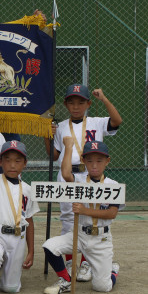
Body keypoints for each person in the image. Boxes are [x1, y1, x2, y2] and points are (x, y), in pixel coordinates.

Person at [44, 84, 122, 281]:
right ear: (66, 104)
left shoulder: (95, 122)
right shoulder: (61, 126)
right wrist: (47, 134)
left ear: (88, 103)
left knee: (88, 215)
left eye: (81, 102)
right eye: (71, 102)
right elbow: (53, 155)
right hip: (68, 173)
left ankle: (86, 263)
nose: (76, 106)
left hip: (90, 172)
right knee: (68, 218)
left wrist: (103, 99)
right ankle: (70, 262)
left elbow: (117, 120)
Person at [43, 140, 122, 294]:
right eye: (90, 161)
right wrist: (68, 147)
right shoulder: (79, 181)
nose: (94, 165)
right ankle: (65, 280)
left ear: (107, 161)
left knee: (102, 287)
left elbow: (112, 213)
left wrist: (85, 210)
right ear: (83, 161)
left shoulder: (113, 185)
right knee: (49, 246)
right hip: (80, 234)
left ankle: (112, 270)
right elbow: (65, 174)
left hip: (101, 239)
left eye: (99, 161)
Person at [0, 140, 39, 294]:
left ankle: (1, 274)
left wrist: (31, 251)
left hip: (18, 237)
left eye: (18, 160)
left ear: (25, 163)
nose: (12, 165)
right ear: (0, 162)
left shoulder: (28, 189)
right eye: (8, 160)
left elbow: (30, 220)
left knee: (11, 289)